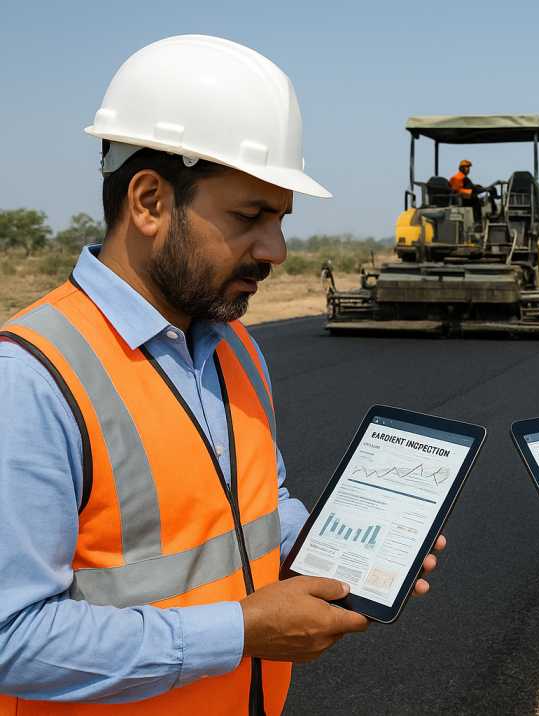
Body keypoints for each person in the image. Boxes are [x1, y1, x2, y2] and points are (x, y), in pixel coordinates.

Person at [0, 36, 445, 714]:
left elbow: (252, 509)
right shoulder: (29, 381)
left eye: (281, 220)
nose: (276, 250)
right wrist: (241, 631)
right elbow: (12, 641)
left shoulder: (233, 346)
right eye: (250, 217)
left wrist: (328, 547)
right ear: (149, 201)